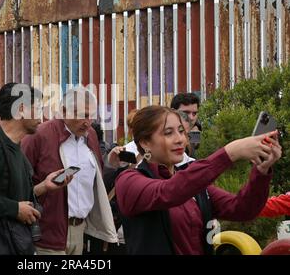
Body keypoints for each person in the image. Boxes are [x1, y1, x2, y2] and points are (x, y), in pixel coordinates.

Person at [115, 105, 281, 255]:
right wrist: (230, 153)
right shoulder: (129, 181)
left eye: (181, 131)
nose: (180, 139)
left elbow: (244, 209)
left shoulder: (196, 186)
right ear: (145, 142)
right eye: (168, 133)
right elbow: (168, 191)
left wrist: (261, 170)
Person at [0, 83, 70, 255]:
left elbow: (12, 195)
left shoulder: (17, 149)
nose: (41, 118)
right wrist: (15, 209)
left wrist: (44, 186)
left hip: (14, 244)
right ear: (20, 109)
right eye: (37, 109)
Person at [21, 86, 118, 255]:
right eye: (83, 115)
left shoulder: (91, 135)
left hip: (80, 230)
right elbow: (18, 186)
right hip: (46, 234)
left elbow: (95, 180)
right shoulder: (39, 135)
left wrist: (113, 163)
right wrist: (42, 188)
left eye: (91, 115)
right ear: (64, 111)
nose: (87, 121)